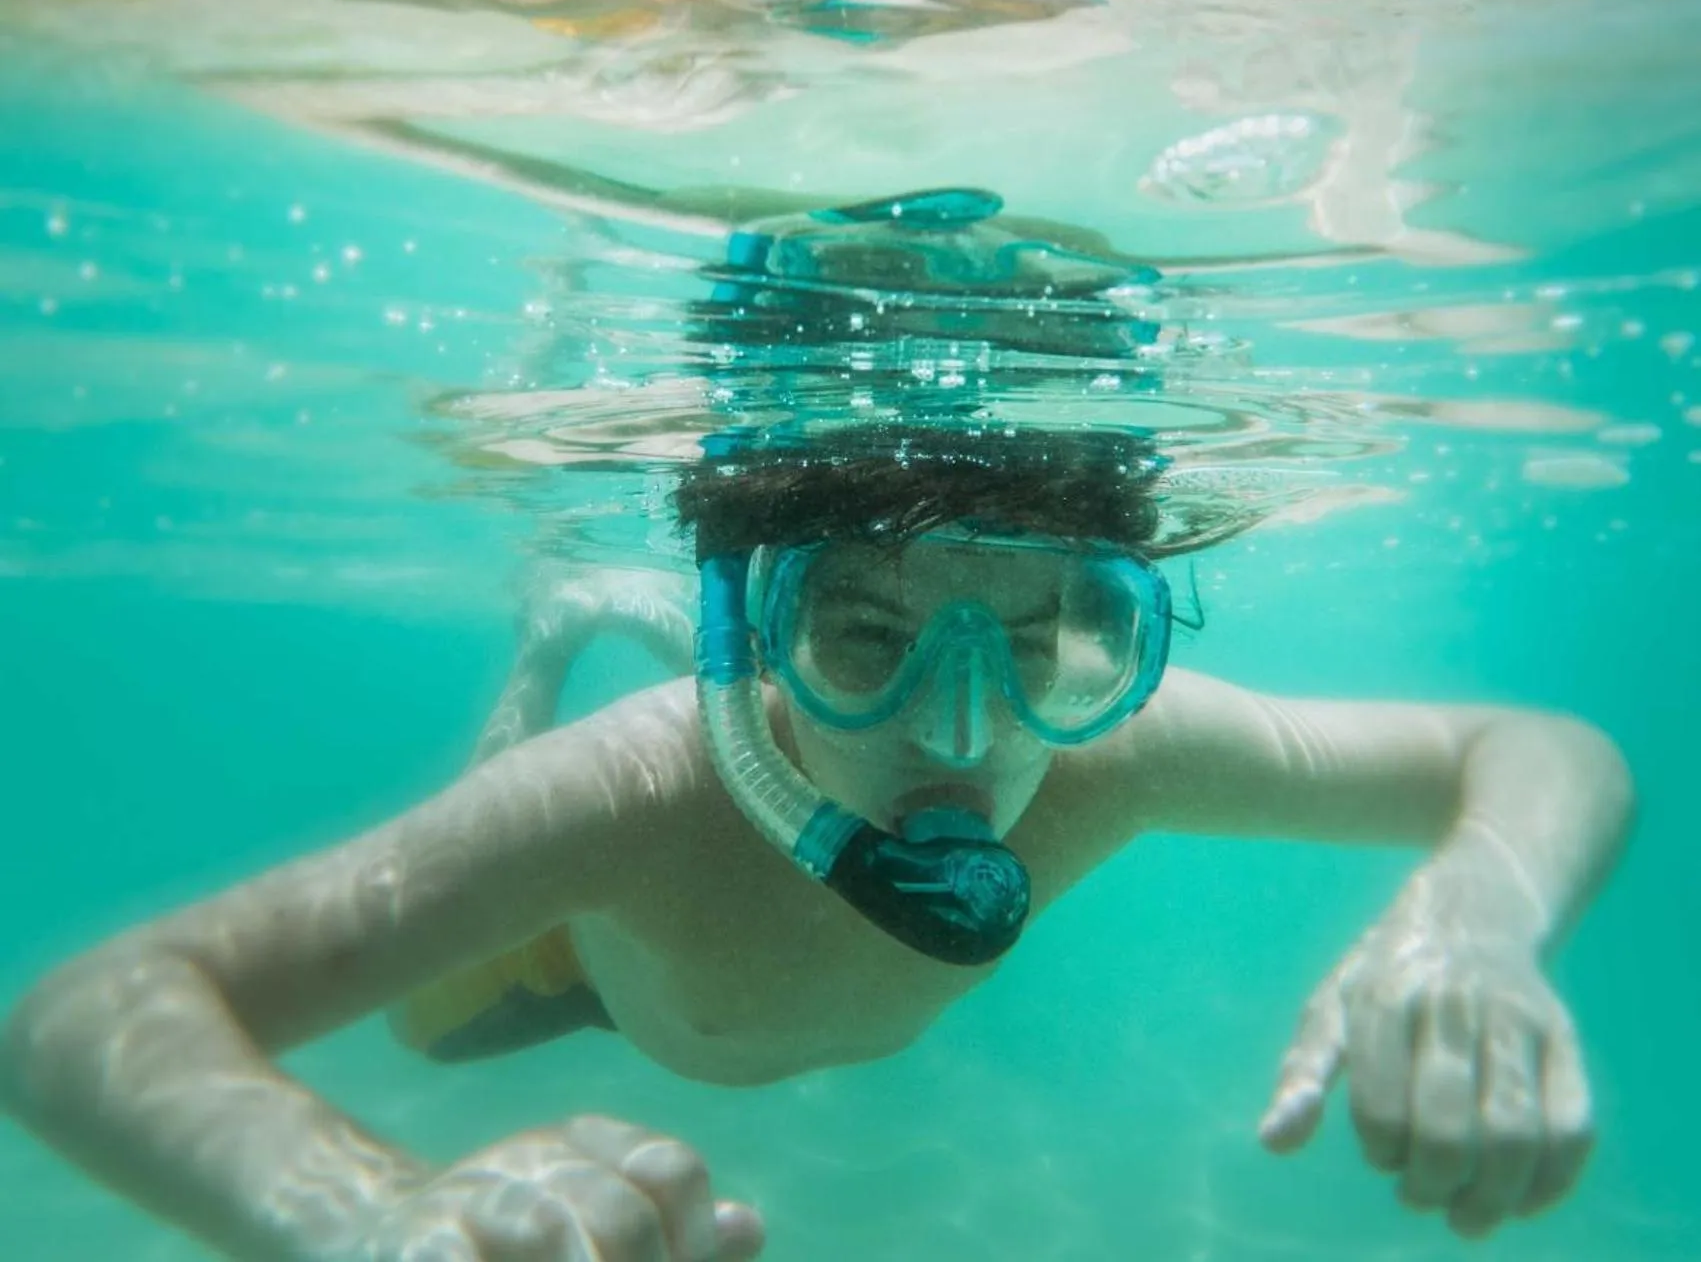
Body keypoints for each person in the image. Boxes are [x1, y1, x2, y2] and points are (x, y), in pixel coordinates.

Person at [0, 405, 1630, 1262]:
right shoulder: (631, 799)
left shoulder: (1112, 747)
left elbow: (1537, 748)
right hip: (567, 965)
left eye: (1044, 632)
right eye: (865, 633)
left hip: (705, 962)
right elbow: (91, 1010)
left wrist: (1473, 908)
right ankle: (567, 631)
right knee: (423, 1041)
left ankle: (692, 613)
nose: (968, 731)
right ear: (754, 643)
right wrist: (363, 1208)